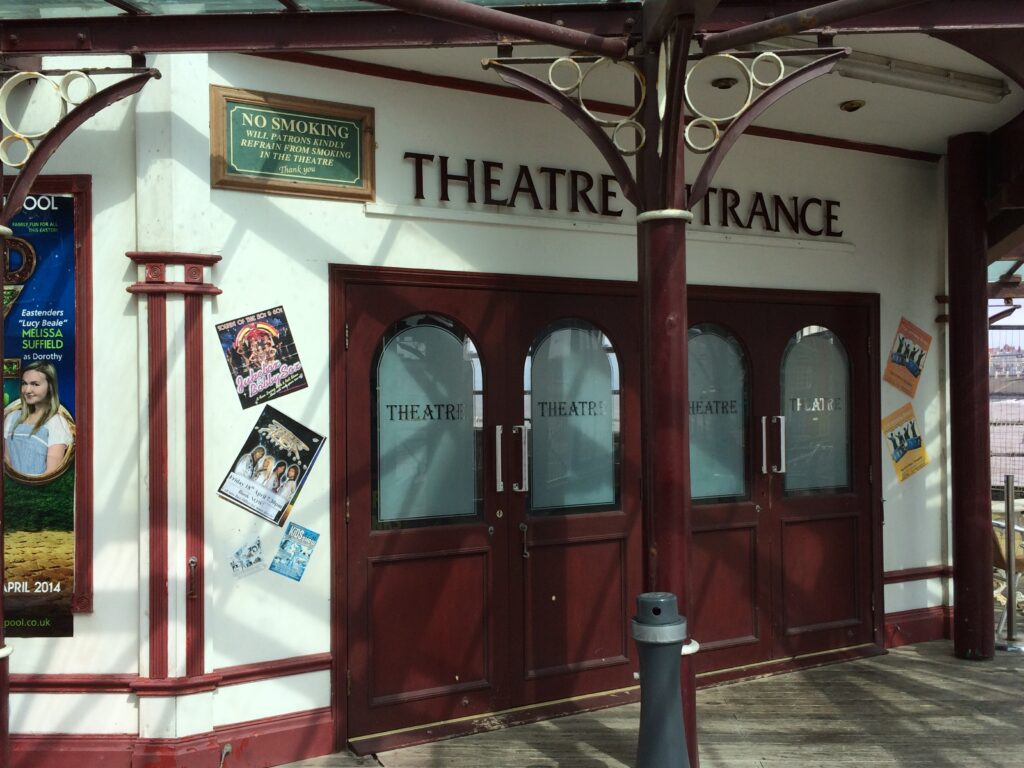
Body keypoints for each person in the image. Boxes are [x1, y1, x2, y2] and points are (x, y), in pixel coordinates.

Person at [3, 362, 72, 477]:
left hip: (38, 491)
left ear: (50, 387)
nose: (27, 390)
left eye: (35, 384)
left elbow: (51, 472)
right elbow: (6, 462)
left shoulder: (56, 423)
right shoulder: (12, 417)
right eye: (24, 383)